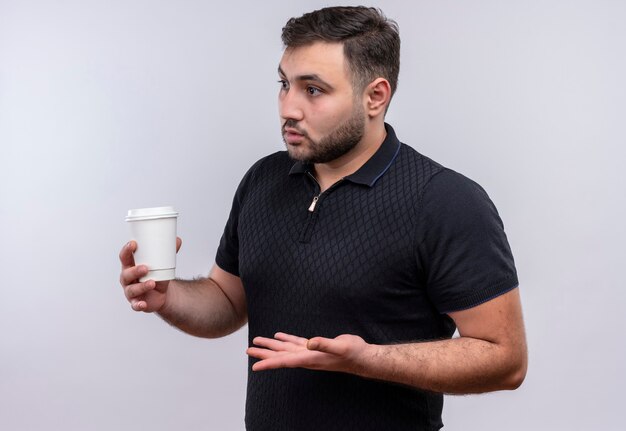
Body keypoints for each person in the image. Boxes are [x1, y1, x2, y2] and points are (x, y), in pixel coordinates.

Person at [119, 6, 527, 430]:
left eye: (312, 90)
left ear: (375, 96)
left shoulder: (444, 200)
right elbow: (226, 301)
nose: (288, 108)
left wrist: (369, 360)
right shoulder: (264, 179)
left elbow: (505, 359)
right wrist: (168, 298)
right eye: (284, 84)